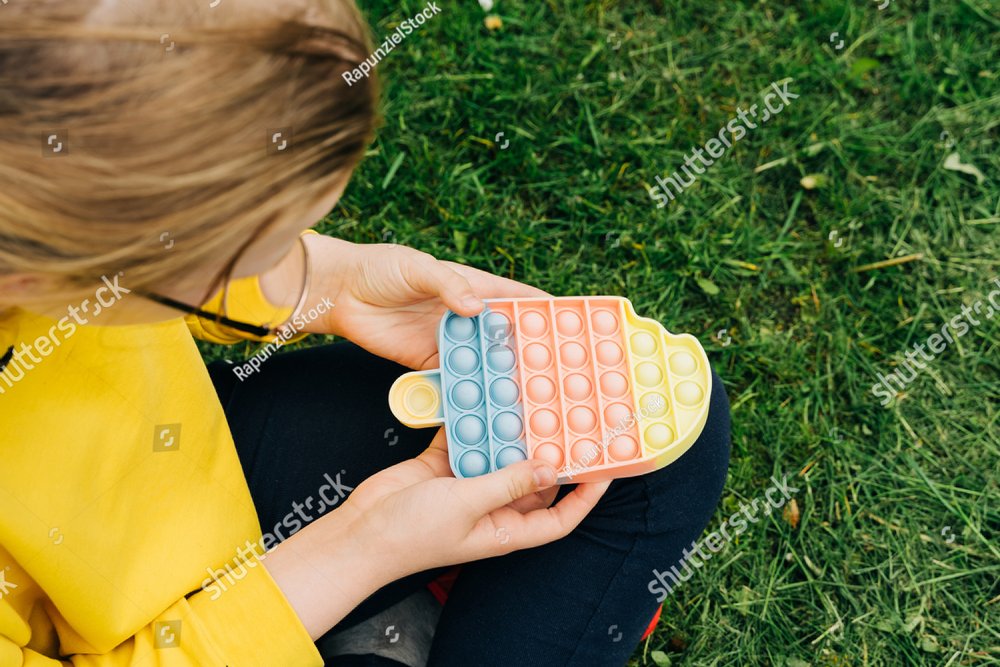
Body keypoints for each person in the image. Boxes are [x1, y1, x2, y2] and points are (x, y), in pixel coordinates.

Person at [0, 1, 730, 664]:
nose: (291, 254)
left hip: (184, 456)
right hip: (129, 644)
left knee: (642, 425)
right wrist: (362, 547)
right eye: (262, 247)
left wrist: (331, 285)